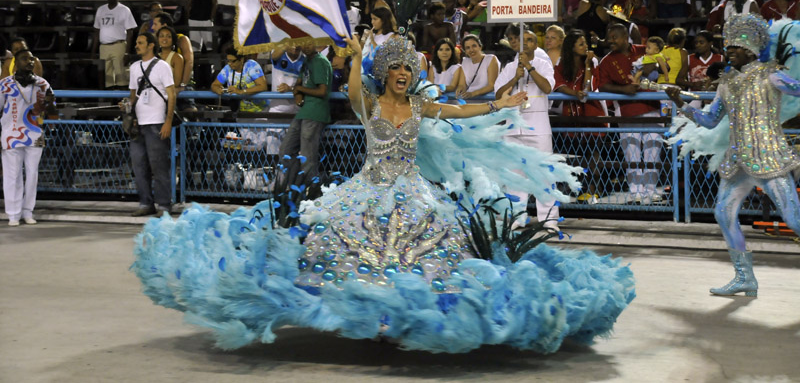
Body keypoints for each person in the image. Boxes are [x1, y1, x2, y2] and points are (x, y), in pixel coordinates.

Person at [132, 34, 635, 353]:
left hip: (414, 191)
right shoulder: (369, 103)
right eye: (395, 67)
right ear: (384, 73)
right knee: (345, 239)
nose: (402, 73)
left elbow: (460, 112)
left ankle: (403, 317)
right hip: (368, 189)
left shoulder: (419, 108)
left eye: (407, 68)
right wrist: (353, 53)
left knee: (433, 237)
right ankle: (363, 312)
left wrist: (502, 101)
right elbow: (352, 91)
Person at [666, 13, 800, 297]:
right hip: (738, 160)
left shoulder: (771, 74)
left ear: (751, 48)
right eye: (727, 48)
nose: (728, 52)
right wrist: (680, 102)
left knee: (794, 219)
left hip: (770, 158)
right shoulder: (726, 82)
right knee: (723, 213)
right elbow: (711, 120)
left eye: (734, 48)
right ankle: (744, 277)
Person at [495, 28, 558, 230]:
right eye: (523, 41)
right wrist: (515, 77)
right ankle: (517, 217)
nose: (526, 44)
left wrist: (529, 68)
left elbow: (547, 88)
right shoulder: (509, 67)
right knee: (515, 176)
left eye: (530, 40)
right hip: (513, 126)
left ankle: (549, 219)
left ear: (535, 45)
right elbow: (498, 95)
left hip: (538, 126)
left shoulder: (543, 64)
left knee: (544, 174)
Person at [597, 24, 663, 204]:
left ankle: (650, 191)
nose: (610, 41)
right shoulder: (606, 61)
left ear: (625, 37)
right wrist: (624, 89)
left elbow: (662, 63)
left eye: (614, 37)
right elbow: (602, 86)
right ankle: (636, 192)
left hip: (651, 107)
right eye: (608, 37)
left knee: (653, 151)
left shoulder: (644, 50)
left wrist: (654, 65)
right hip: (626, 111)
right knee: (632, 153)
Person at [0, 48, 55, 226]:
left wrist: (49, 104)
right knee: (12, 175)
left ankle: (27, 211)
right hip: (10, 135)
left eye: (31, 59)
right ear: (16, 63)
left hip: (34, 134)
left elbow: (53, 110)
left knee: (32, 175)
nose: (30, 62)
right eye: (25, 59)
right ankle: (13, 214)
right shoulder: (5, 84)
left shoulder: (42, 84)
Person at [554, 30, 607, 203]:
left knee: (593, 157)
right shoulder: (561, 65)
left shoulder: (591, 62)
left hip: (591, 114)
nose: (586, 47)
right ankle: (576, 192)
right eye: (581, 44)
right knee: (574, 158)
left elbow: (589, 88)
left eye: (585, 43)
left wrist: (588, 65)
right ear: (571, 47)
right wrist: (575, 93)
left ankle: (593, 193)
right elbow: (559, 86)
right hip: (571, 117)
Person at [128, 33, 176, 217]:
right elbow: (133, 95)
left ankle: (164, 204)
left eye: (140, 43)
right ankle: (145, 202)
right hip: (138, 122)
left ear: (150, 45)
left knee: (159, 166)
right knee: (139, 165)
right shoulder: (134, 68)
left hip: (156, 122)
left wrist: (168, 120)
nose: (136, 46)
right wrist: (127, 105)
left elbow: (171, 94)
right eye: (137, 43)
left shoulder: (162, 66)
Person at [276, 41, 332, 183]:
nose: (305, 45)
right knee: (285, 150)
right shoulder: (307, 61)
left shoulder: (320, 62)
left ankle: (310, 193)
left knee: (308, 157)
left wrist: (300, 90)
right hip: (304, 112)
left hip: (315, 112)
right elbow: (298, 85)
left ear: (316, 43)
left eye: (308, 42)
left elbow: (322, 91)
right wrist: (298, 93)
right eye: (303, 41)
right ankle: (295, 186)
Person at [92, 0, 137, 89]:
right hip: (104, 46)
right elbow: (96, 31)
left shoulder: (124, 10)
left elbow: (130, 32)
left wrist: (127, 52)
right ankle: (110, 100)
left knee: (121, 74)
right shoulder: (101, 10)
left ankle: (122, 99)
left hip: (118, 45)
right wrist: (93, 51)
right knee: (107, 77)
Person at [151, 12, 195, 109]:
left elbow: (189, 62)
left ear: (164, 25)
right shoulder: (156, 43)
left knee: (189, 111)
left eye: (155, 24)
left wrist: (182, 85)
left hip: (182, 84)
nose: (153, 27)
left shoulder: (181, 39)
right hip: (164, 87)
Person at [456, 34, 499, 99]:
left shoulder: (491, 59)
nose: (471, 50)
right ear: (465, 51)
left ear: (480, 47)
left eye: (474, 46)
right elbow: (462, 84)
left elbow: (491, 86)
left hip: (489, 98)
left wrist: (473, 94)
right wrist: (460, 90)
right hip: (470, 98)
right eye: (468, 48)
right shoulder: (465, 62)